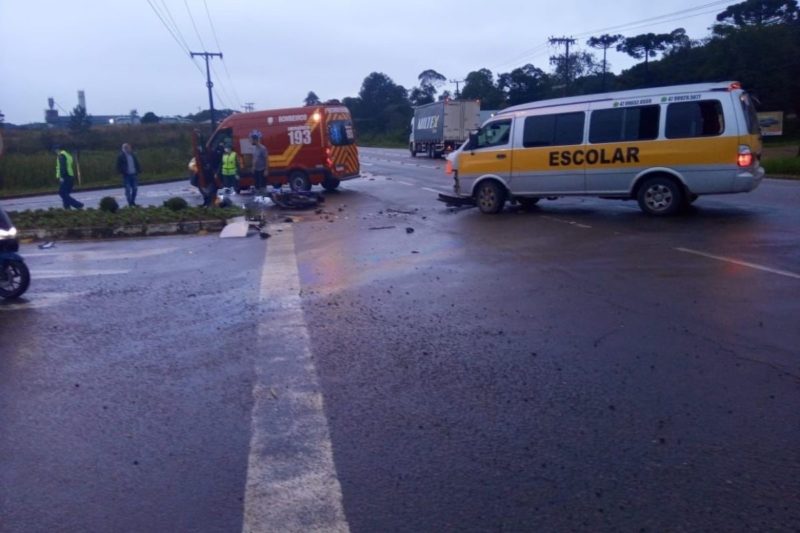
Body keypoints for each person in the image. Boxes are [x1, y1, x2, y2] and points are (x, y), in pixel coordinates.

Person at [54, 145, 84, 210]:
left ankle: (78, 205)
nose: (55, 152)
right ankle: (67, 208)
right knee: (65, 193)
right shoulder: (67, 155)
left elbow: (63, 167)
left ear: (57, 150)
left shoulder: (61, 155)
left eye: (55, 151)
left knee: (61, 193)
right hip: (70, 176)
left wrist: (61, 177)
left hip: (66, 177)